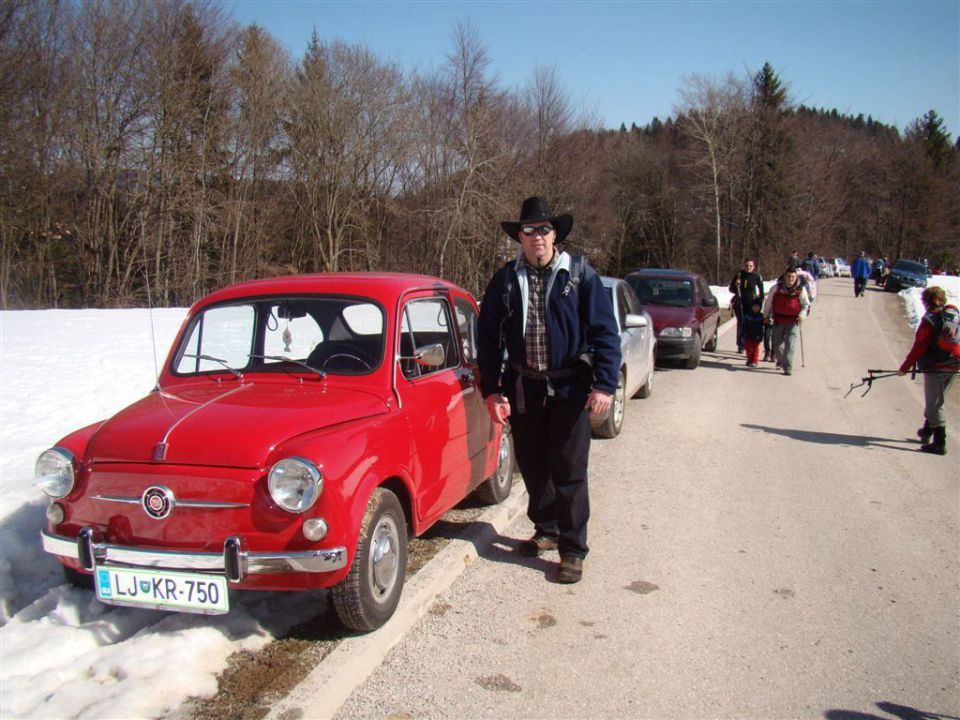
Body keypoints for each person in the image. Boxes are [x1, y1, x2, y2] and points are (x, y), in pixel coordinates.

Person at [477, 196, 621, 583]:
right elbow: (487, 337)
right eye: (529, 230)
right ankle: (547, 529)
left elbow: (606, 333)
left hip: (571, 387)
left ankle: (572, 550)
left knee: (570, 469)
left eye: (543, 229)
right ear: (520, 237)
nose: (536, 237)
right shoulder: (506, 280)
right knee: (534, 463)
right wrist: (491, 389)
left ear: (554, 234)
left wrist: (605, 384)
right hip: (524, 387)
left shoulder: (579, 276)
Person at [897, 286, 960, 455]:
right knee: (937, 399)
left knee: (934, 402)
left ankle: (940, 443)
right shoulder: (953, 317)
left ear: (927, 301)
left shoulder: (930, 320)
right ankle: (927, 431)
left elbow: (919, 347)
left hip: (936, 366)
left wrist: (905, 367)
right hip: (955, 364)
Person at [762, 267, 810, 376]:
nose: (790, 279)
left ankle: (788, 368)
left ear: (796, 277)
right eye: (788, 276)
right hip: (778, 319)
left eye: (793, 277)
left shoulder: (800, 290)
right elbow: (769, 302)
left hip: (793, 320)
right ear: (784, 277)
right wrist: (765, 316)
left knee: (790, 344)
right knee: (777, 345)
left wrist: (802, 315)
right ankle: (782, 359)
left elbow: (805, 305)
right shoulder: (776, 288)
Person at [727, 259, 765, 353]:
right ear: (744, 266)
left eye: (750, 266)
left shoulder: (757, 276)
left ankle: (751, 344)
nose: (748, 268)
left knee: (751, 324)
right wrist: (736, 286)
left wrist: (759, 303)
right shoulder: (739, 275)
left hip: (752, 304)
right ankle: (740, 344)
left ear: (754, 267)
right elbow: (731, 288)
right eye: (747, 266)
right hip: (740, 303)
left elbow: (761, 291)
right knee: (741, 323)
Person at [741, 301, 765, 368]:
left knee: (755, 349)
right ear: (752, 307)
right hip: (748, 335)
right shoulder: (747, 316)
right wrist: (742, 334)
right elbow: (743, 326)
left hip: (757, 335)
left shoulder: (761, 316)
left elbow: (765, 324)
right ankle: (749, 359)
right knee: (748, 348)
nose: (756, 308)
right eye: (755, 306)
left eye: (758, 307)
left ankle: (754, 361)